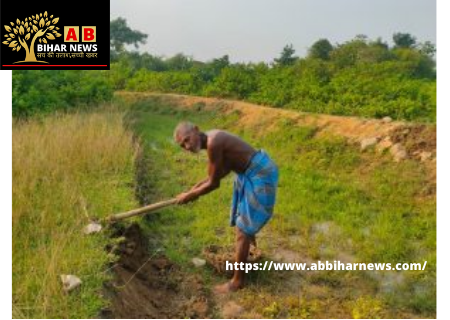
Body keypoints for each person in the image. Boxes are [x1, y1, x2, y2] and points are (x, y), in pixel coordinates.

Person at [173, 121, 279, 294]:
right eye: (182, 145)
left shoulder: (214, 142)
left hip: (260, 172)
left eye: (187, 140)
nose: (187, 146)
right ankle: (248, 251)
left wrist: (190, 195)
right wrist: (190, 191)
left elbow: (214, 184)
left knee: (242, 231)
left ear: (196, 130)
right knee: (244, 223)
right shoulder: (212, 142)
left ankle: (237, 282)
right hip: (248, 173)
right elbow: (214, 176)